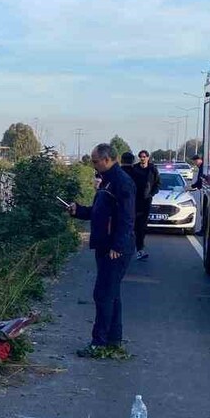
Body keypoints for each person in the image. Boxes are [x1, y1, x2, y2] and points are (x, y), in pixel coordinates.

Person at [67, 143, 136, 358]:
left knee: (104, 294)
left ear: (107, 159)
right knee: (111, 293)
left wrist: (118, 245)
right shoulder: (107, 181)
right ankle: (113, 340)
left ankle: (100, 342)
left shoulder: (121, 182)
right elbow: (99, 213)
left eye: (96, 161)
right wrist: (79, 211)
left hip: (114, 248)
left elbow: (127, 218)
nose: (93, 165)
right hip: (105, 245)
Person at [126, 150, 161, 260]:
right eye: (141, 156)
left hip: (146, 201)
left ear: (148, 157)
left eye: (144, 156)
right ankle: (131, 248)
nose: (142, 158)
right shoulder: (134, 168)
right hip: (134, 201)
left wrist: (151, 194)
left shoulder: (152, 169)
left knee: (141, 226)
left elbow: (158, 183)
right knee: (132, 225)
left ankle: (140, 249)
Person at [189, 154, 205, 234]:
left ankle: (203, 230)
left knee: (204, 212)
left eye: (195, 161)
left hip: (204, 191)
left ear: (199, 160)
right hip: (202, 191)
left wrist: (192, 186)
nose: (195, 163)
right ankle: (203, 229)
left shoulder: (202, 168)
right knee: (203, 212)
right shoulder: (201, 167)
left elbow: (200, 181)